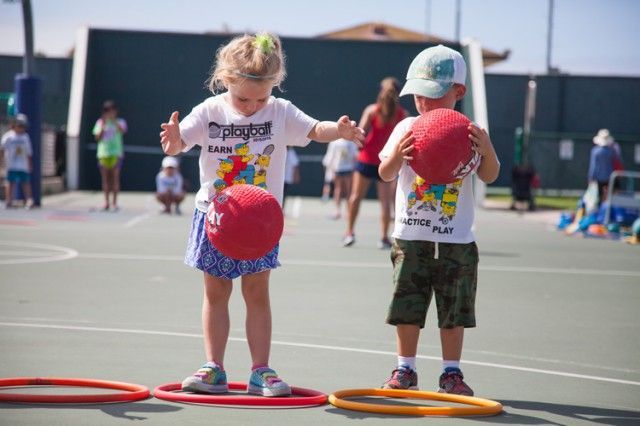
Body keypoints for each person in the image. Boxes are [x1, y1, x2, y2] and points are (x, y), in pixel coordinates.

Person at [159, 33, 364, 397]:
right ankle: (214, 368)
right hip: (217, 218)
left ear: (273, 87)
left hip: (258, 222)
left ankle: (260, 371)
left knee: (256, 292)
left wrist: (340, 131)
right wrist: (173, 139)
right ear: (225, 80)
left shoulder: (280, 112)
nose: (253, 105)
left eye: (261, 97)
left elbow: (315, 129)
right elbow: (181, 143)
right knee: (216, 292)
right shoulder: (209, 111)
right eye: (243, 98)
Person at [378, 45, 500, 395]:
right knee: (407, 306)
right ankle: (405, 369)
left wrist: (487, 148)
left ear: (459, 91)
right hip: (411, 236)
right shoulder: (407, 125)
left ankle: (451, 373)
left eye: (433, 94)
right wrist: (398, 156)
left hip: (456, 239)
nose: (424, 103)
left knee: (454, 309)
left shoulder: (469, 132)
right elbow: (385, 174)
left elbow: (490, 175)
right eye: (419, 94)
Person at [344, 77, 406, 249]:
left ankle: (349, 233)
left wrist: (361, 144)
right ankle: (384, 238)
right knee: (385, 202)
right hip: (384, 162)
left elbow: (361, 133)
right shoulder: (402, 115)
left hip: (368, 161)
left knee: (356, 197)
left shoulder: (372, 110)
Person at [93, 100, 127, 211]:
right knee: (105, 179)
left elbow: (122, 131)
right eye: (107, 111)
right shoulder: (100, 123)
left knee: (115, 179)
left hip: (116, 153)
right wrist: (103, 126)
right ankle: (106, 202)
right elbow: (97, 138)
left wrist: (113, 121)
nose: (110, 113)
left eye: (112, 110)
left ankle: (114, 203)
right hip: (103, 153)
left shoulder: (120, 122)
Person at [0, 114, 33, 209]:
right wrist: (1, 161)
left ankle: (29, 200)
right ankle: (9, 200)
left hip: (23, 165)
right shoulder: (8, 136)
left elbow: (29, 152)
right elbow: (2, 149)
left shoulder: (25, 137)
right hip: (11, 164)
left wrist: (30, 164)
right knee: (10, 182)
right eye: (20, 126)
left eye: (23, 126)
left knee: (25, 182)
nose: (22, 128)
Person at [322, 138, 358, 219]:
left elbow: (354, 156)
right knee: (340, 190)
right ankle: (340, 211)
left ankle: (344, 211)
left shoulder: (343, 142)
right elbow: (354, 156)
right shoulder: (338, 142)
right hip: (340, 169)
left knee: (341, 190)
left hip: (345, 169)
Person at [588, 129, 622, 207]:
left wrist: (591, 177)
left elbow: (593, 165)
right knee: (611, 195)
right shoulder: (612, 151)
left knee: (600, 196)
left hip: (599, 177)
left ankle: (601, 211)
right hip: (611, 176)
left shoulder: (595, 151)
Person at [282, 147, 300, 211]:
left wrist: (296, 176)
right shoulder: (279, 150)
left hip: (286, 178)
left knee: (284, 194)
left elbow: (295, 165)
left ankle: (282, 209)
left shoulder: (291, 152)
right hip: (279, 179)